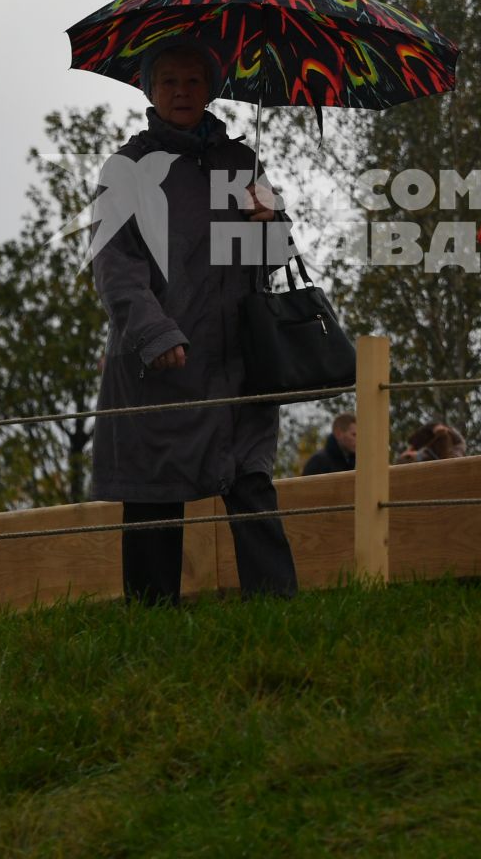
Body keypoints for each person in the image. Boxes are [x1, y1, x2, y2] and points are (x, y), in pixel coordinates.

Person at [90, 38, 300, 604]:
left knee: (252, 483)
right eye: (168, 83)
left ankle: (280, 614)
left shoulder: (241, 162)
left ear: (210, 88)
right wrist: (155, 333)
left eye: (192, 81)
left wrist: (270, 222)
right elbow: (115, 267)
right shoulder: (127, 169)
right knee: (155, 496)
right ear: (150, 92)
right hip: (164, 364)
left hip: (238, 360)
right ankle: (152, 623)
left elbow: (272, 260)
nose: (181, 93)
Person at [398, 420, 467, 463]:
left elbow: (442, 430)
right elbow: (408, 452)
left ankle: (451, 462)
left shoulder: (428, 428)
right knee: (418, 456)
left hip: (456, 443)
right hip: (434, 451)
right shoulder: (415, 444)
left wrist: (438, 430)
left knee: (445, 438)